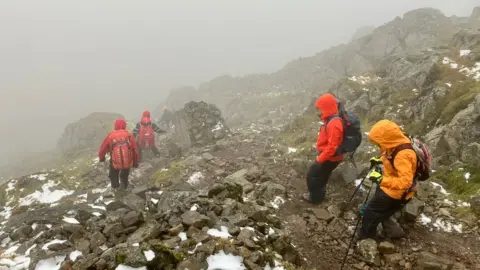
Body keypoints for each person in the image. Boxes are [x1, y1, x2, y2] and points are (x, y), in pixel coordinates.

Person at [358, 119, 417, 240]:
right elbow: (390, 155)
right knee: (380, 212)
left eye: (379, 142)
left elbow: (406, 182)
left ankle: (365, 238)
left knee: (370, 213)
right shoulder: (398, 142)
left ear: (387, 138)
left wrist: (381, 180)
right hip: (391, 189)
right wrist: (380, 160)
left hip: (395, 193)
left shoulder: (403, 155)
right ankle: (392, 230)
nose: (378, 145)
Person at [303, 93, 344, 204]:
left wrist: (319, 159)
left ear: (327, 107)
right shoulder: (331, 119)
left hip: (330, 158)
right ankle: (320, 195)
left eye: (321, 108)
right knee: (322, 175)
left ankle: (315, 198)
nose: (319, 111)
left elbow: (332, 147)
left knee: (312, 175)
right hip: (331, 157)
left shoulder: (334, 123)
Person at [98, 119, 139, 191]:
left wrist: (102, 158)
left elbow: (102, 149)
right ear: (124, 125)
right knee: (125, 173)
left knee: (113, 174)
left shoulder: (110, 136)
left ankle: (115, 187)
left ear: (115, 125)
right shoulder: (128, 135)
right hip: (127, 159)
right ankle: (125, 186)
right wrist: (135, 162)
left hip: (115, 160)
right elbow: (135, 150)